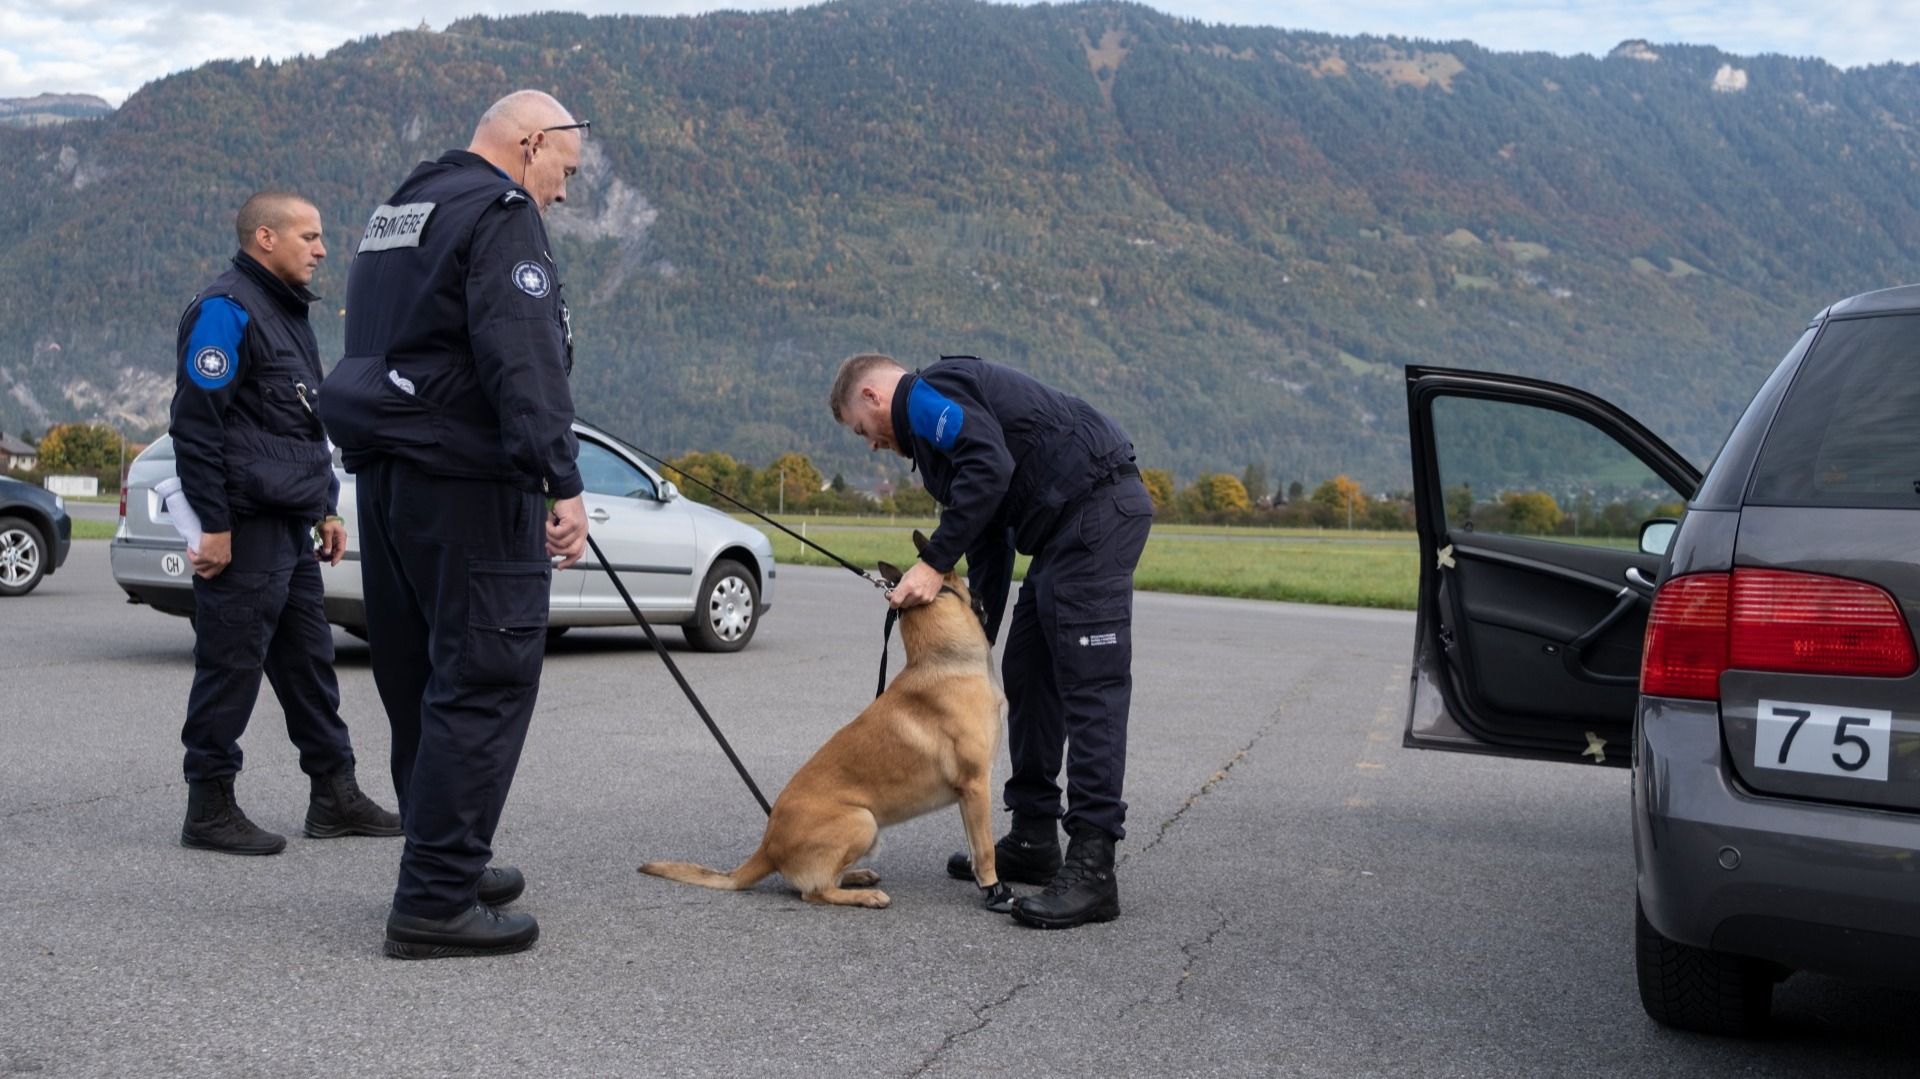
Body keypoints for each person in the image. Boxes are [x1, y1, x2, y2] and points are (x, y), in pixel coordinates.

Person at [317, 90, 589, 960]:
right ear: (532, 142)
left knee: (421, 678)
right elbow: (522, 348)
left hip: (391, 477)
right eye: (565, 173)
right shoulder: (501, 213)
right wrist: (562, 477)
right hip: (469, 483)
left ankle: (448, 859)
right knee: (483, 677)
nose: (562, 194)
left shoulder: (402, 208)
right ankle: (435, 900)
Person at [829, 353, 1153, 929]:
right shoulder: (933, 447)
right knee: (1026, 673)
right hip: (1057, 536)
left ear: (876, 397)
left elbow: (990, 465)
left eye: (862, 430)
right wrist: (978, 638)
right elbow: (990, 537)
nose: (872, 444)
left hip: (1096, 513)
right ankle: (1032, 836)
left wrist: (931, 563)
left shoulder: (924, 395)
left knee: (1090, 688)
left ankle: (1094, 867)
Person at [169, 191, 402, 856]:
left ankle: (334, 794)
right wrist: (213, 524)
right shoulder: (226, 310)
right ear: (264, 238)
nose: (323, 249)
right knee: (231, 662)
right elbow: (196, 422)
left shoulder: (286, 314)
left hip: (290, 522)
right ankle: (209, 805)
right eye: (310, 236)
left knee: (309, 664)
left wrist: (324, 505)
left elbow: (300, 423)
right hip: (244, 524)